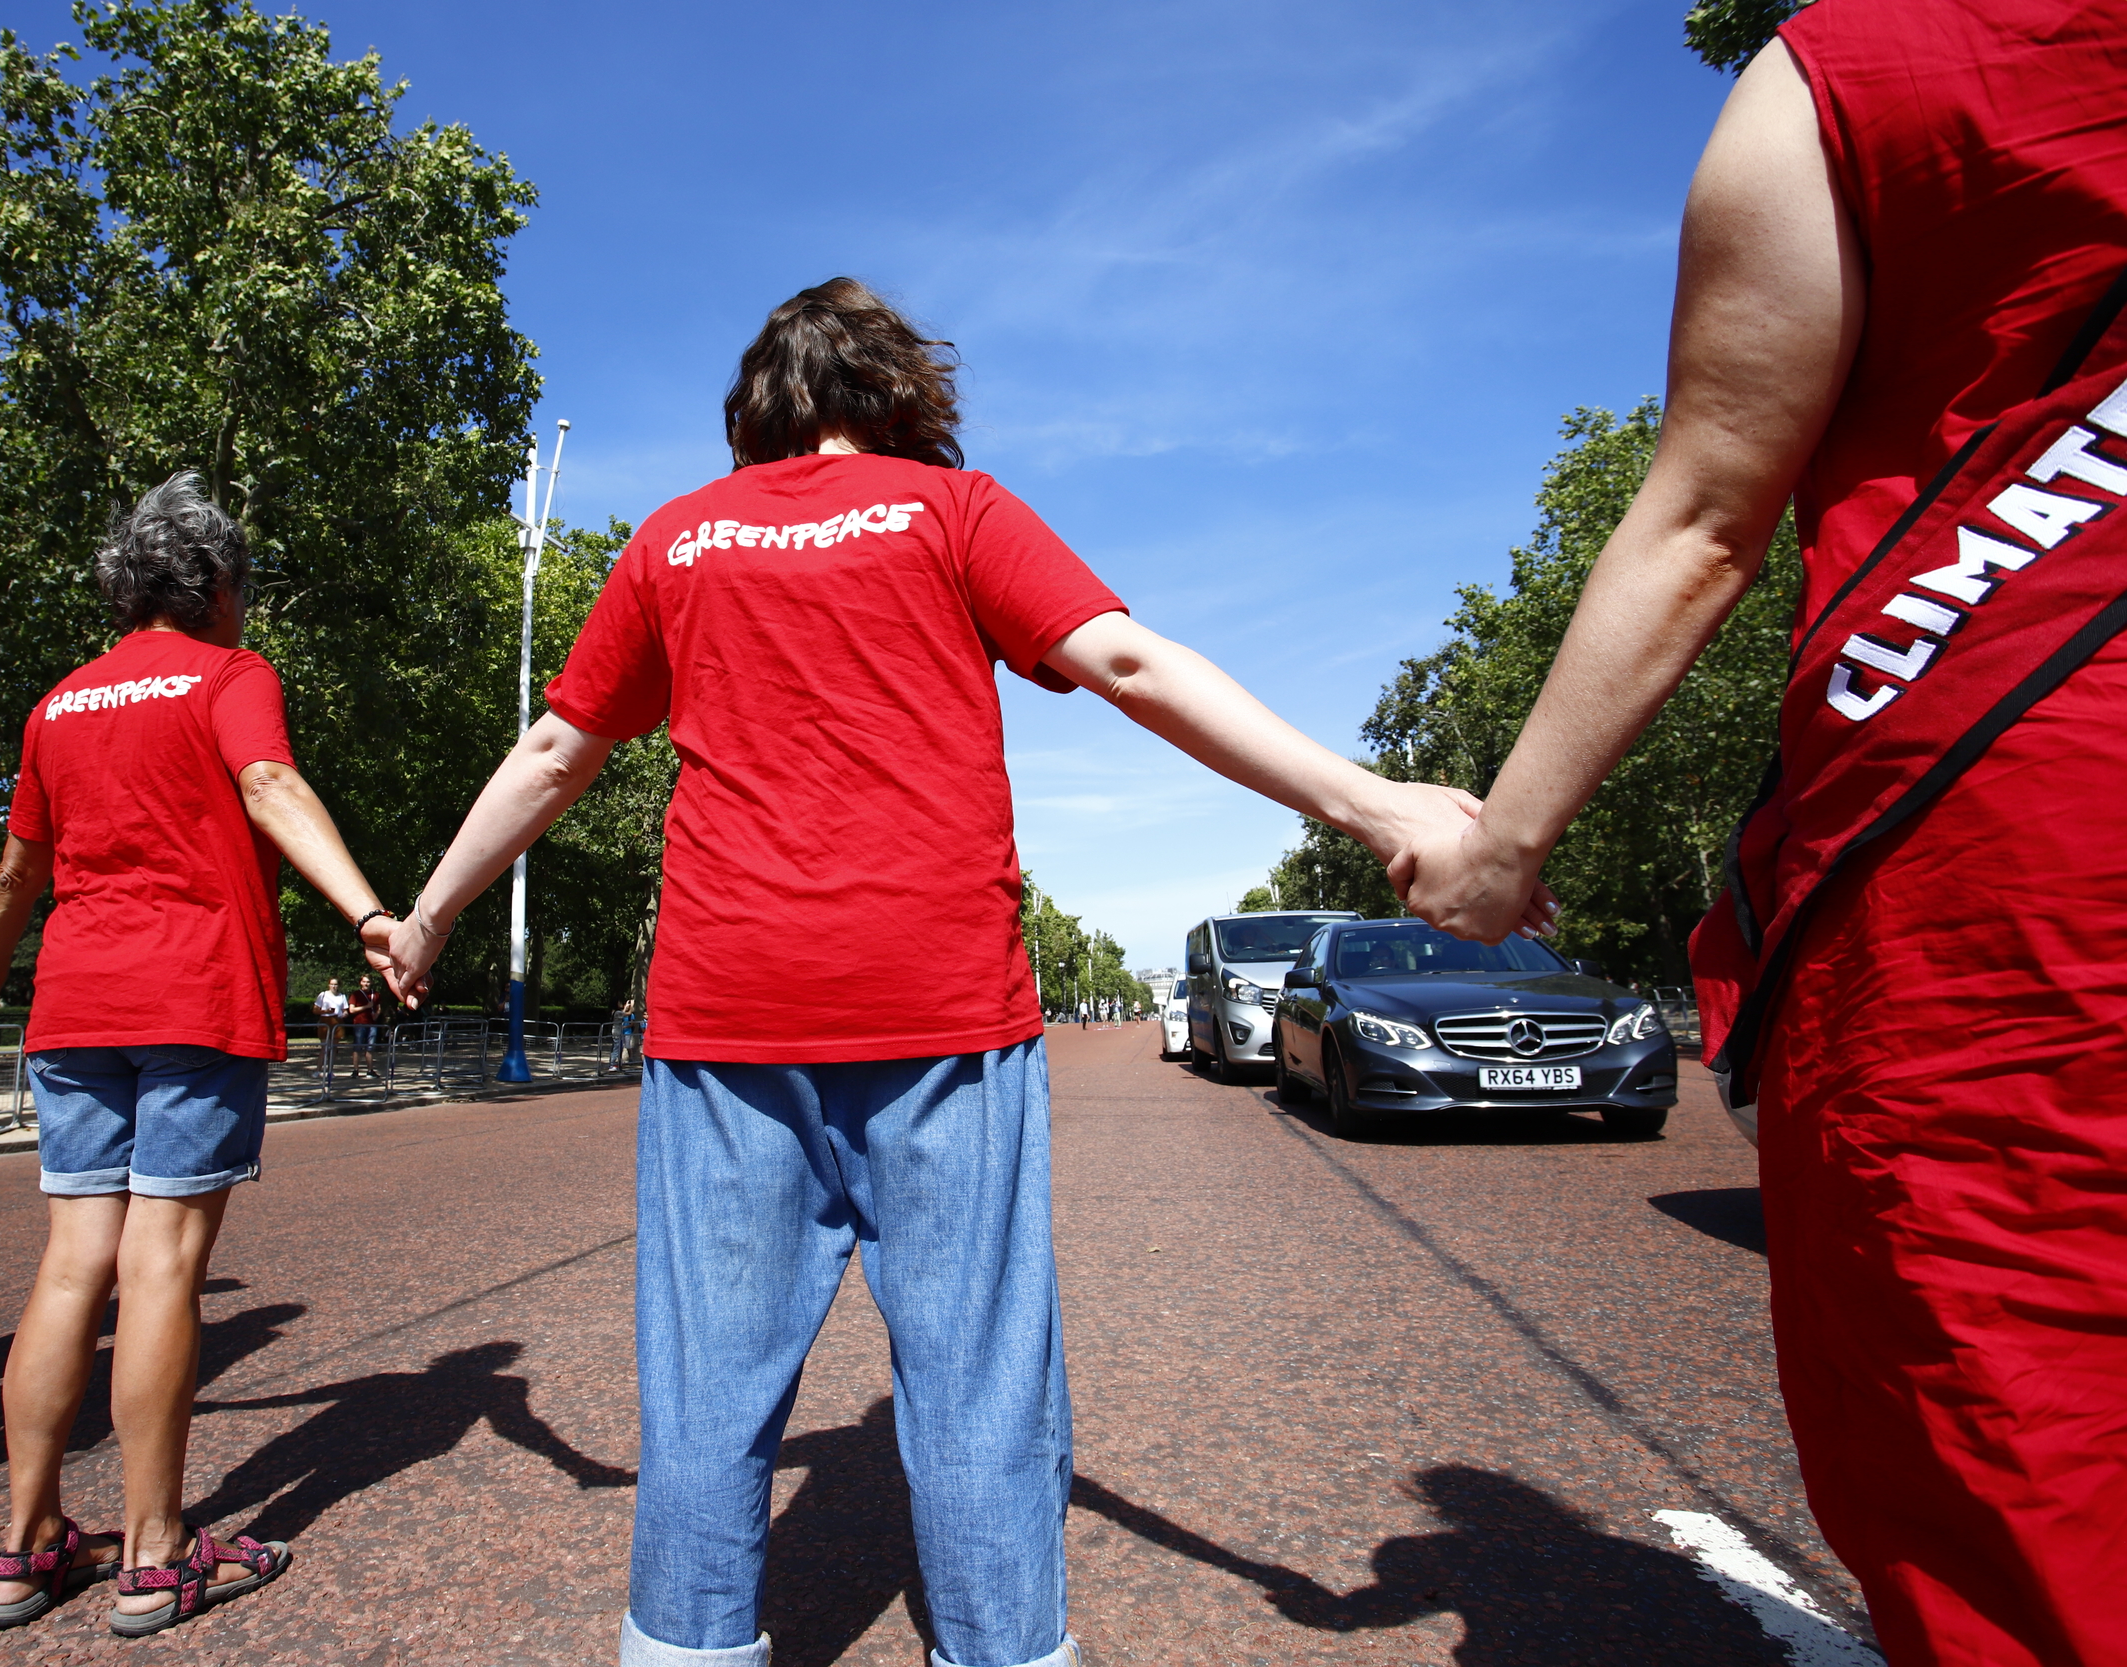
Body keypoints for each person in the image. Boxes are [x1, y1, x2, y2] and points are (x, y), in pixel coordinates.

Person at [386, 278, 1532, 1667]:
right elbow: (1125, 658)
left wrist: (432, 911)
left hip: (728, 1012)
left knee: (704, 1393)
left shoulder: (675, 540)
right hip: (938, 1009)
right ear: (893, 396)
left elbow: (556, 751)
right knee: (981, 1384)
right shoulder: (954, 511)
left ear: (760, 404)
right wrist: (1373, 803)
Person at [1394, 7, 2127, 1661]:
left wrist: (1505, 846)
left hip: (2008, 850)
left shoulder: (1859, 69)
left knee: (2029, 1462)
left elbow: (1712, 505)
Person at [0, 474, 402, 1635]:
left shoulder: (57, 703)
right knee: (163, 1265)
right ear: (217, 584)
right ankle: (157, 1550)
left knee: (70, 1267)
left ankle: (29, 1542)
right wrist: (367, 912)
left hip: (74, 1000)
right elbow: (266, 781)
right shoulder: (229, 674)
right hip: (190, 991)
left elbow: (20, 869)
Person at [312, 976, 349, 1068]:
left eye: (335, 984)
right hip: (325, 1021)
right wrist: (325, 1011)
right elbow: (315, 1010)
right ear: (329, 985)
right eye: (332, 984)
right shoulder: (323, 995)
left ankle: (330, 1070)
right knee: (324, 1048)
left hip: (337, 1021)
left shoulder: (342, 996)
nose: (333, 986)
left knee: (333, 1048)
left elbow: (345, 1010)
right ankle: (318, 1069)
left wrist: (345, 1014)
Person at [349, 973, 381, 1074]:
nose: (366, 984)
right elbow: (352, 1010)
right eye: (364, 982)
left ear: (371, 982)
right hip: (359, 1023)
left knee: (370, 1047)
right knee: (357, 1047)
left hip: (372, 1024)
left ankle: (370, 1070)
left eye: (368, 982)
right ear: (360, 982)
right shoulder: (356, 994)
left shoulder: (375, 994)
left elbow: (379, 1007)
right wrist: (366, 1006)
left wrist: (377, 1014)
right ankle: (355, 1070)